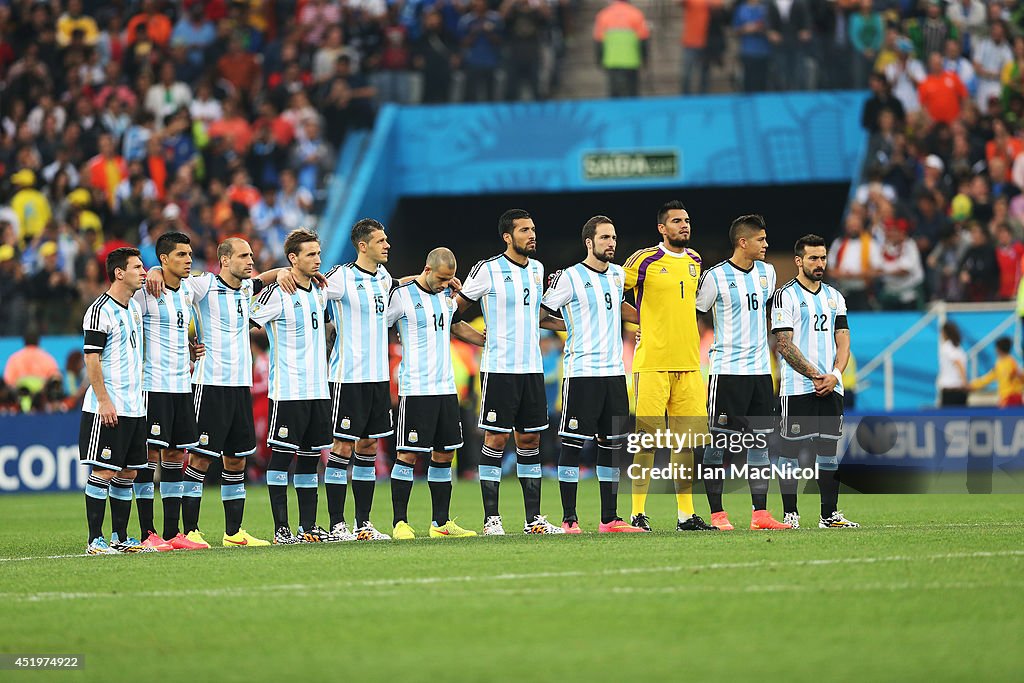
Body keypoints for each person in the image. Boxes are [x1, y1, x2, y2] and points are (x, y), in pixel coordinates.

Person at [145, 238, 301, 546]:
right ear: (225, 261)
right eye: (243, 256)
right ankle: (189, 529)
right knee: (201, 459)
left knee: (236, 460)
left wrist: (284, 271)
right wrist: (153, 268)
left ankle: (233, 533)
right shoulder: (203, 286)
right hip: (210, 385)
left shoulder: (245, 290)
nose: (250, 260)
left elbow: (263, 278)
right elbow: (174, 280)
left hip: (240, 387)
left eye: (252, 255)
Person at [457, 209, 566, 535]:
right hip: (500, 370)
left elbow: (541, 317)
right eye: (524, 230)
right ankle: (492, 519)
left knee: (530, 439)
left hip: (531, 370)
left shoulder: (537, 269)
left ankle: (533, 520)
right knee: (496, 438)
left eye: (533, 229)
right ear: (508, 236)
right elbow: (453, 314)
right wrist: (479, 338)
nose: (532, 235)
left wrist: (572, 326)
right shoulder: (487, 270)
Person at [541, 216, 642, 533]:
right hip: (582, 373)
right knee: (572, 445)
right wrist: (568, 326)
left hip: (614, 374)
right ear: (589, 242)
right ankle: (569, 519)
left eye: (614, 237)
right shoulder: (570, 277)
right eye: (605, 238)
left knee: (611, 445)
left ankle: (610, 518)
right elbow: (542, 312)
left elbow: (620, 307)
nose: (611, 243)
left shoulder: (617, 275)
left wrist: (649, 322)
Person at [622, 200, 716, 532]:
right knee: (646, 441)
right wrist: (638, 321)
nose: (684, 225)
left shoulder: (695, 261)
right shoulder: (643, 260)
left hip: (690, 364)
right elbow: (610, 291)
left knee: (686, 443)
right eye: (676, 221)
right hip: (652, 364)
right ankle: (637, 513)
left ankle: (685, 515)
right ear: (662, 228)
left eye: (687, 220)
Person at [696, 214, 791, 530]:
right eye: (761, 239)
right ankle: (717, 514)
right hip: (726, 372)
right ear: (743, 242)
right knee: (718, 444)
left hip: (761, 372)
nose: (766, 245)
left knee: (760, 442)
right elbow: (693, 317)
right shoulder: (716, 277)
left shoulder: (768, 273)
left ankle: (760, 514)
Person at [387, 248, 484, 539]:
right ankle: (399, 523)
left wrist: (486, 340)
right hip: (416, 388)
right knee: (407, 454)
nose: (445, 284)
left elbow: (455, 326)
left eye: (450, 279)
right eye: (441, 278)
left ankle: (440, 524)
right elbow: (377, 323)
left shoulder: (445, 298)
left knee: (444, 454)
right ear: (427, 270)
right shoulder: (401, 296)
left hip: (445, 388)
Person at [251, 229, 334, 544]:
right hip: (288, 390)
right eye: (310, 254)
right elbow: (243, 314)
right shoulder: (277, 293)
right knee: (283, 458)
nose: (317, 259)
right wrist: (273, 277)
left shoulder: (319, 291)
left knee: (311, 458)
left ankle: (308, 527)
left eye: (318, 253)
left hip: (317, 390)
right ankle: (281, 529)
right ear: (292, 259)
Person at [771, 234, 860, 529]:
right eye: (813, 258)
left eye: (823, 258)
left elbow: (844, 341)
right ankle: (791, 515)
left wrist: (834, 375)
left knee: (829, 451)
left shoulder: (835, 297)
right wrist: (814, 375)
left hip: (830, 386)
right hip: (798, 387)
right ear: (799, 261)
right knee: (790, 452)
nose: (820, 263)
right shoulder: (786, 295)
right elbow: (783, 343)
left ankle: (829, 515)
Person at [130, 232, 209, 551]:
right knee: (149, 456)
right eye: (180, 255)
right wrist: (149, 272)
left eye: (190, 254)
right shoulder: (146, 292)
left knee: (176, 455)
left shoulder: (188, 290)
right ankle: (148, 533)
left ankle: (173, 533)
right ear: (163, 259)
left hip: (182, 385)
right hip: (154, 386)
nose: (188, 260)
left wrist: (189, 350)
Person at [321, 219, 395, 541]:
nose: (387, 245)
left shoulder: (385, 277)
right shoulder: (340, 277)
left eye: (386, 240)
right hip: (346, 378)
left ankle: (363, 524)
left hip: (377, 377)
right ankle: (337, 524)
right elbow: (312, 295)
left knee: (368, 446)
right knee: (342, 446)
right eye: (380, 241)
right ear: (362, 246)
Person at [80, 248, 152, 554]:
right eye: (137, 267)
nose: (144, 271)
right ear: (119, 273)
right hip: (108, 405)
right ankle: (94, 540)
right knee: (105, 471)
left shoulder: (134, 307)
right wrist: (104, 400)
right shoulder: (100, 309)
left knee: (129, 473)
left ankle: (120, 537)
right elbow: (92, 358)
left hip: (134, 406)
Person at [593, 0, 650, 98]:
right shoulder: (636, 13)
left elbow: (598, 41)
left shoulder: (603, 15)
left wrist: (599, 60)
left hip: (612, 60)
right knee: (632, 93)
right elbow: (643, 40)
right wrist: (644, 59)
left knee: (614, 93)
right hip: (631, 60)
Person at [969, 337, 1024, 406]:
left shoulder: (1008, 363)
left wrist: (972, 385)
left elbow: (988, 378)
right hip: (1010, 397)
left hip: (1010, 398)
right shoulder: (1006, 362)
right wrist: (973, 385)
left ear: (998, 349)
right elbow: (989, 377)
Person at [938, 321, 969, 407]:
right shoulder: (959, 348)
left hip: (950, 390)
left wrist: (964, 382)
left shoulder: (947, 347)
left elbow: (957, 363)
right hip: (959, 389)